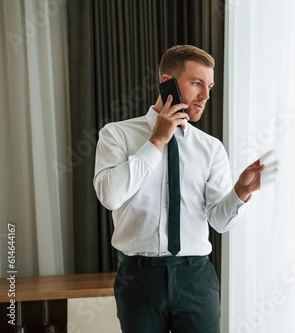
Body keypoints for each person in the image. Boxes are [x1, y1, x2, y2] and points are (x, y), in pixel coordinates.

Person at [93, 44, 265, 333]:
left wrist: (240, 192)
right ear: (167, 82)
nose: (205, 96)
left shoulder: (211, 148)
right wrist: (156, 142)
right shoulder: (116, 134)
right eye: (197, 83)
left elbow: (219, 222)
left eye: (209, 86)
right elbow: (110, 197)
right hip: (138, 278)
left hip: (195, 278)